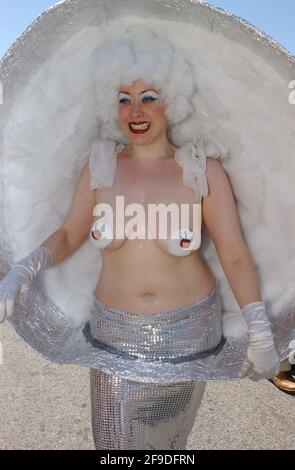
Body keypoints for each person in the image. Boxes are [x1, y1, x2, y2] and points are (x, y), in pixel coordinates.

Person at [0, 29, 294, 450]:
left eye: (149, 96)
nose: (135, 110)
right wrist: (21, 272)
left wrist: (260, 328)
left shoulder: (201, 169)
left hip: (192, 332)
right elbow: (68, 234)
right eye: (124, 98)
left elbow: (234, 255)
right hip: (112, 333)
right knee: (115, 446)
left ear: (171, 100)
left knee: (169, 444)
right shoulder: (100, 165)